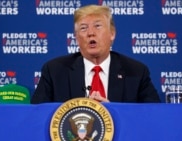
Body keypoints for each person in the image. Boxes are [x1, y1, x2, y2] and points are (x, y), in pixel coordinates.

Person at [31, 5, 160, 104]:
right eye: (83, 28)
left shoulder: (136, 71)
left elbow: (151, 115)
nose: (90, 33)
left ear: (112, 34)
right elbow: (37, 116)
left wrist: (113, 112)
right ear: (76, 37)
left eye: (97, 26)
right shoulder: (54, 71)